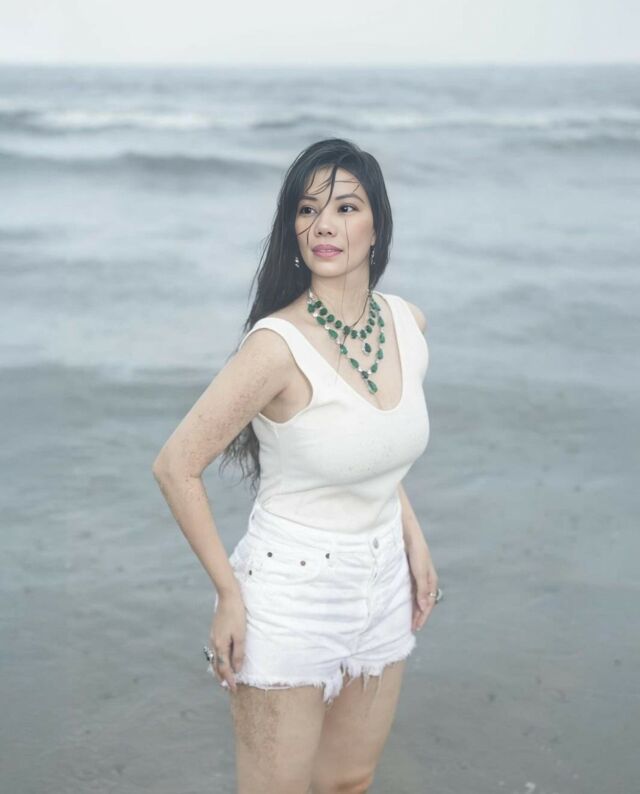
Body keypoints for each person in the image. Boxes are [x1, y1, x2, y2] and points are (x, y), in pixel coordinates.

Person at [152, 138, 442, 794]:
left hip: (384, 584)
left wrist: (413, 538)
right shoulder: (276, 347)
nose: (324, 225)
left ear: (378, 226)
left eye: (346, 207)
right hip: (290, 594)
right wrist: (230, 594)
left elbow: (373, 452)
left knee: (349, 781)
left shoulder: (407, 324)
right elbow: (175, 466)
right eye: (308, 210)